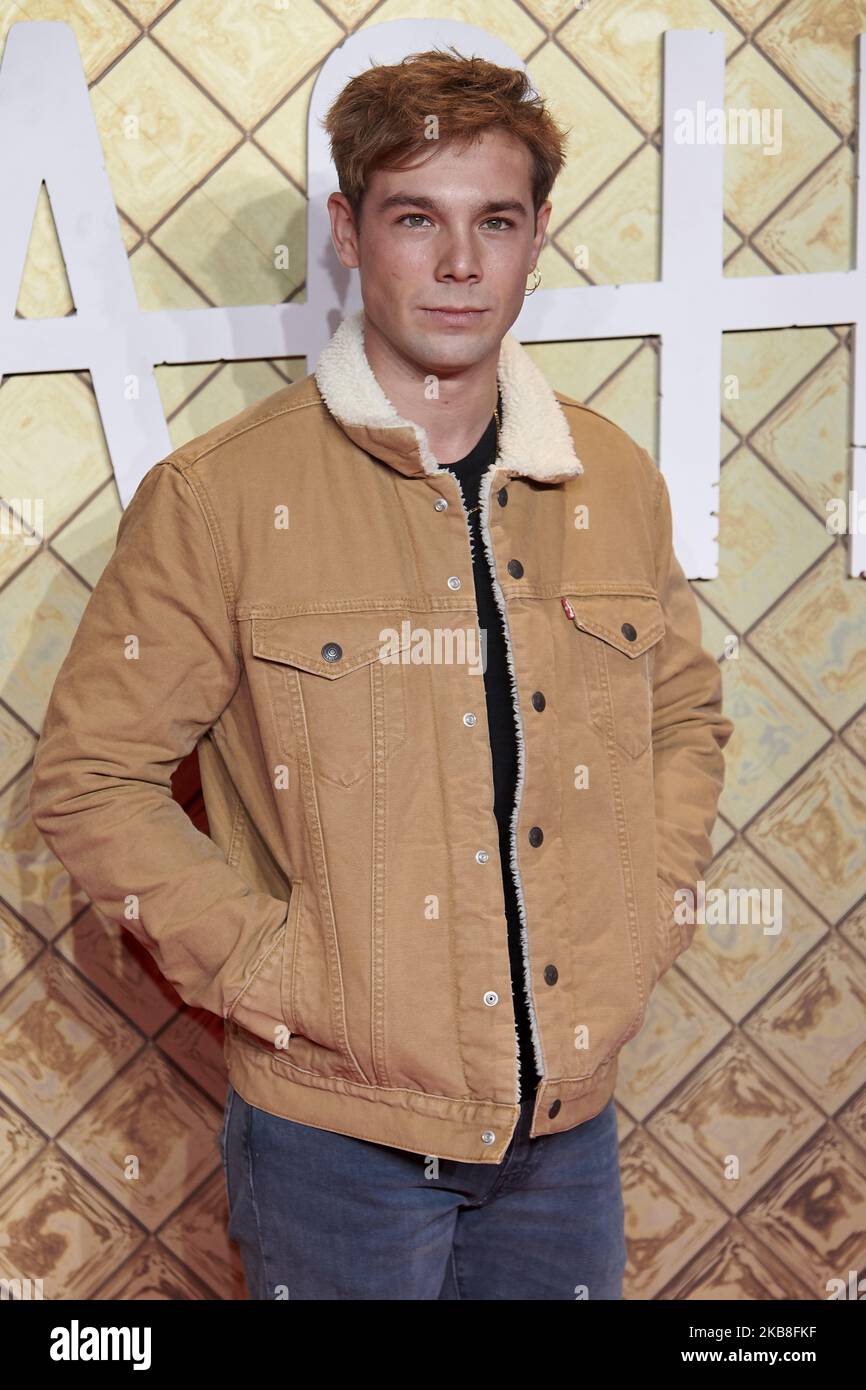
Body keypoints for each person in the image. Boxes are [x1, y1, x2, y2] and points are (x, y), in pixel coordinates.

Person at [29, 47, 734, 1299]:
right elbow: (90, 781)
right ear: (350, 234)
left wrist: (644, 907)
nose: (460, 265)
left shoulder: (613, 481)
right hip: (333, 1142)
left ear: (533, 240)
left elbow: (682, 715)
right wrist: (273, 972)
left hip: (564, 1133)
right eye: (417, 219)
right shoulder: (221, 499)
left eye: (494, 223)